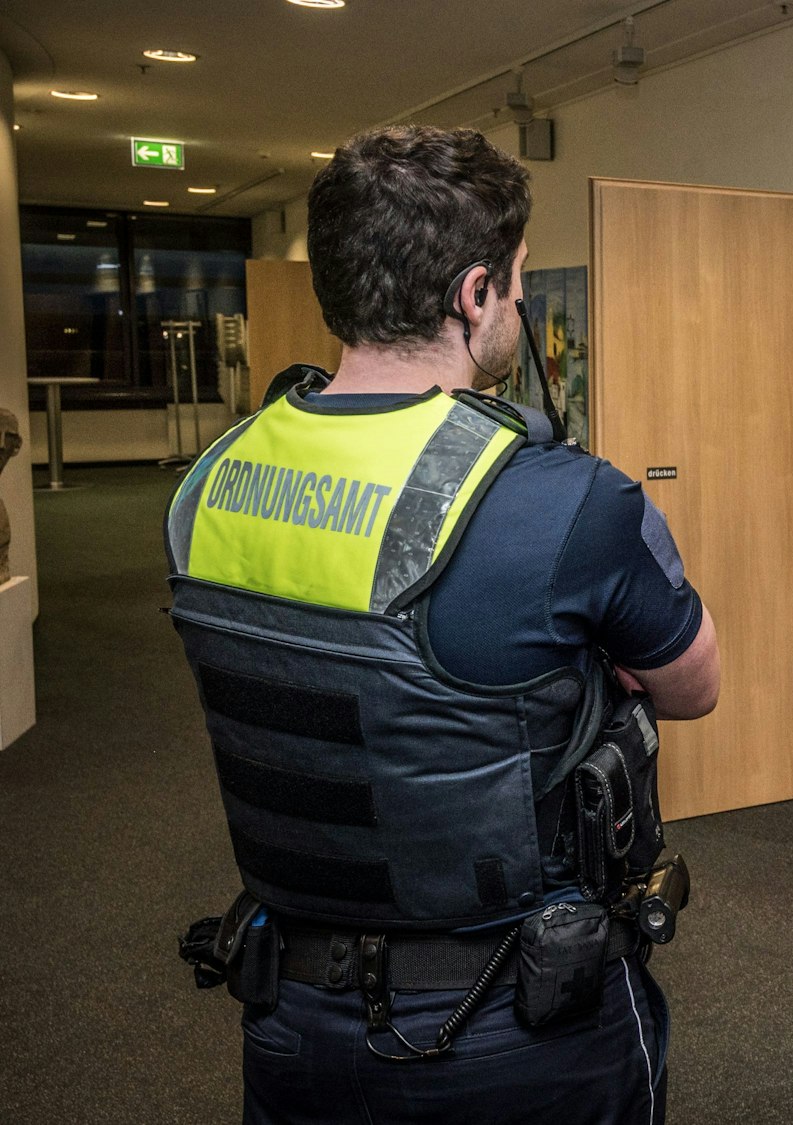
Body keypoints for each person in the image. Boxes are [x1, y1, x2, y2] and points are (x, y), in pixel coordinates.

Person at [163, 125, 720, 1125]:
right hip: (512, 1019)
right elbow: (691, 686)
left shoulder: (213, 482)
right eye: (512, 284)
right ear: (474, 295)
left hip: (289, 1007)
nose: (515, 304)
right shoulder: (564, 503)